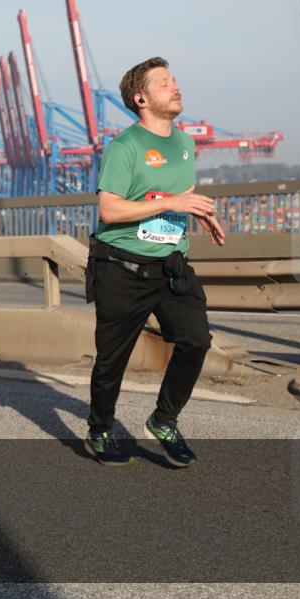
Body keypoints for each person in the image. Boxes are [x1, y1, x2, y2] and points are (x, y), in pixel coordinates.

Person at [84, 57, 226, 467]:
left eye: (175, 80)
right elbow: (109, 210)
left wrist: (201, 212)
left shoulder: (184, 144)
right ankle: (100, 430)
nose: (176, 87)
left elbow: (181, 193)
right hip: (121, 268)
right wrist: (174, 202)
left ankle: (164, 420)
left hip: (170, 266)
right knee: (112, 361)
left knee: (196, 339)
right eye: (165, 83)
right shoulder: (125, 147)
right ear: (141, 98)